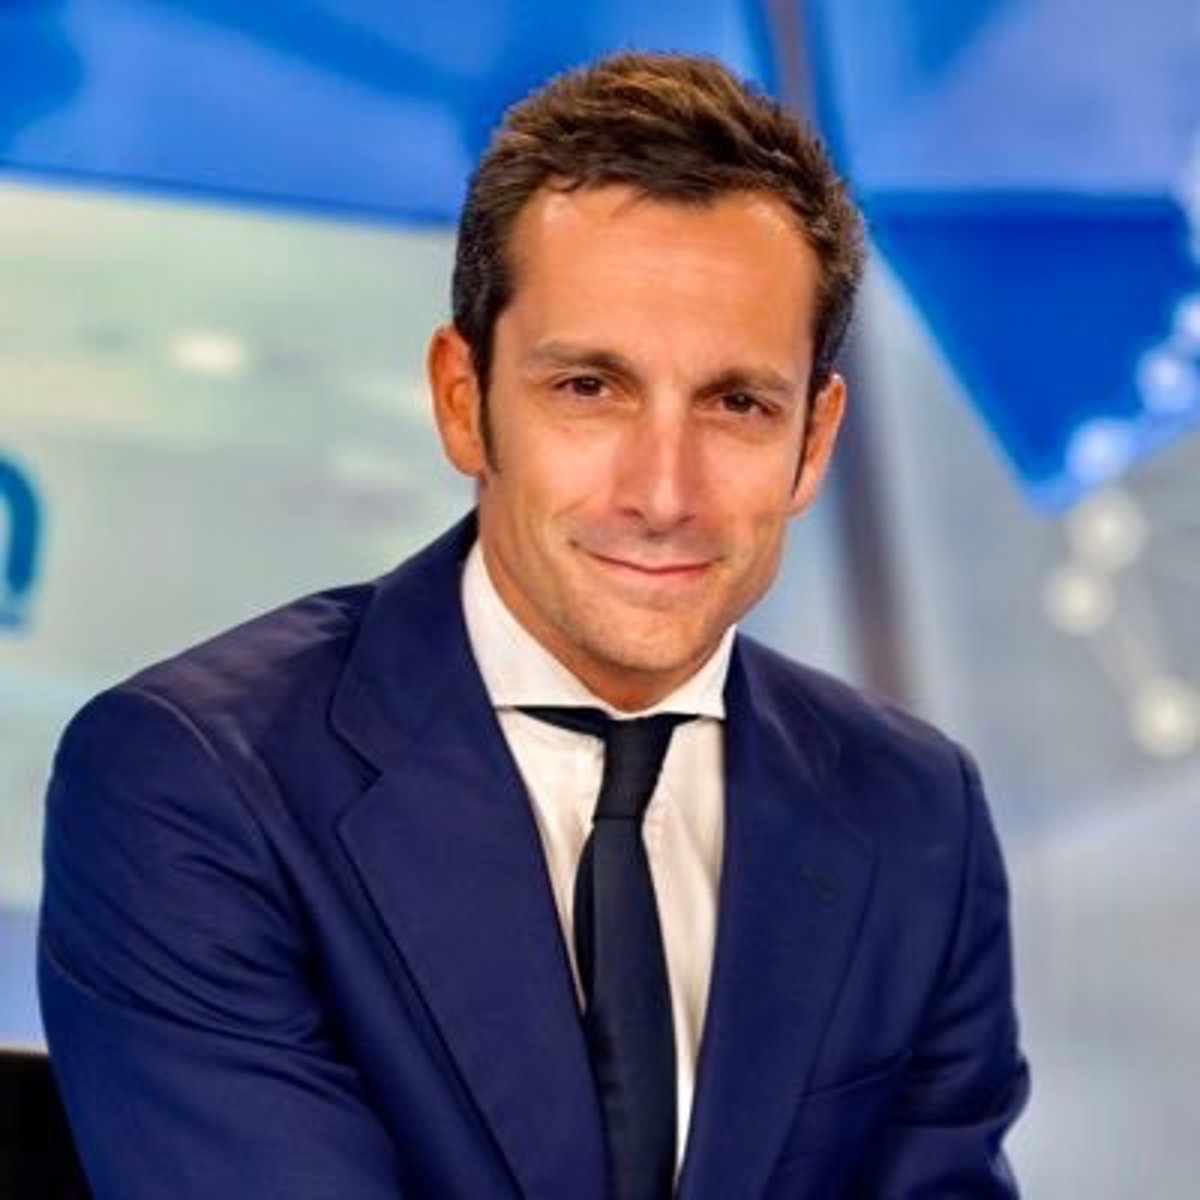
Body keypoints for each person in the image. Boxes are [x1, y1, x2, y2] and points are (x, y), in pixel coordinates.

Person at [39, 52, 1029, 1199]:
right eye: (589, 389)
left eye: (737, 404)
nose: (663, 493)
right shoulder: (195, 783)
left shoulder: (917, 814)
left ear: (813, 442)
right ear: (463, 401)